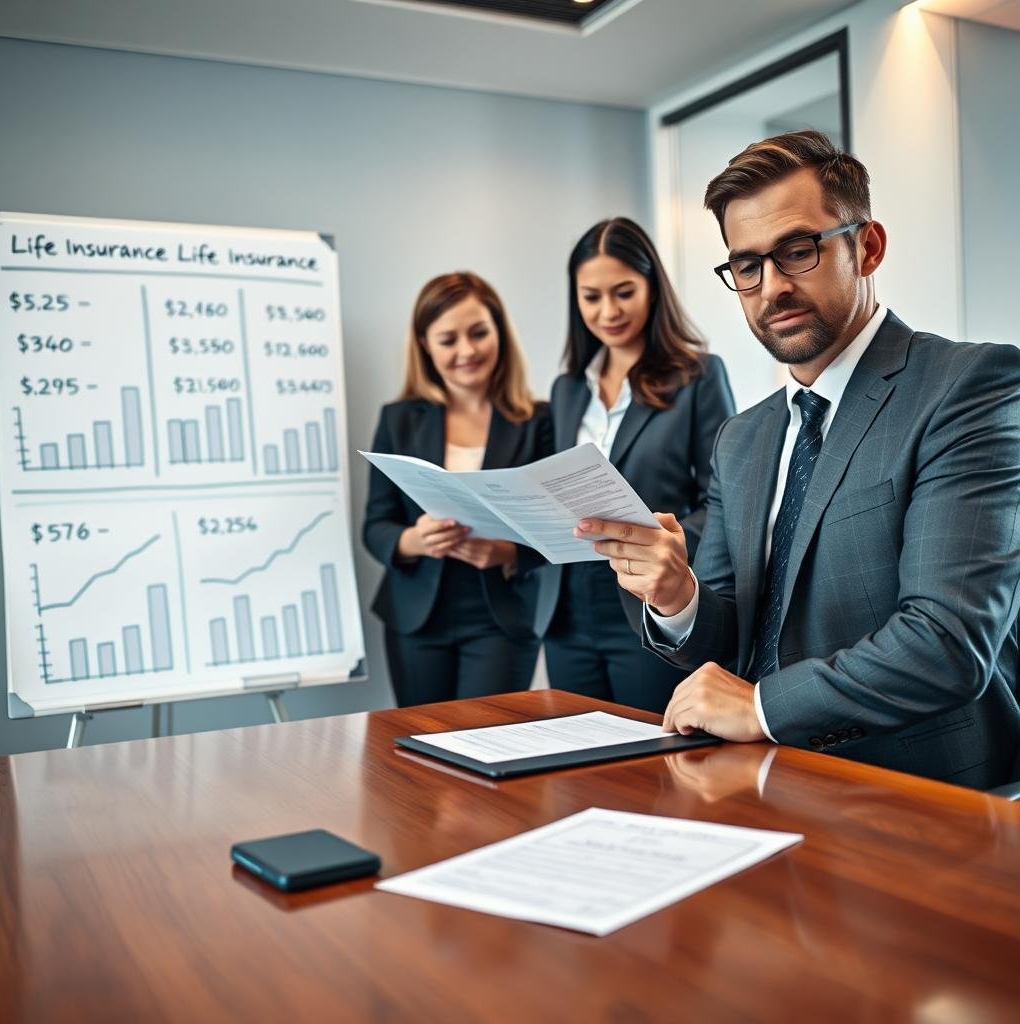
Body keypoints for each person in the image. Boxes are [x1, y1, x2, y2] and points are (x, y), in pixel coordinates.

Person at [579, 130, 1020, 788]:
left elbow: (945, 643)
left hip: (926, 796)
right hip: (767, 785)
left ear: (866, 247)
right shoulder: (743, 438)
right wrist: (678, 597)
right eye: (746, 266)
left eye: (797, 250)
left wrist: (761, 706)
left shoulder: (966, 385)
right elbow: (735, 635)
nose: (771, 286)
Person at [541, 217, 736, 713]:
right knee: (575, 757)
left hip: (646, 597)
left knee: (650, 764)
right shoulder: (567, 390)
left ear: (653, 288)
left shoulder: (698, 376)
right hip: (566, 605)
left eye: (624, 291)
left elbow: (727, 498)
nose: (608, 311)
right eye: (591, 296)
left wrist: (664, 543)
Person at [364, 272, 552, 706]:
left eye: (479, 333)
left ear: (499, 334)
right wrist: (412, 540)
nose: (466, 351)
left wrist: (507, 553)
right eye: (448, 339)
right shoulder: (399, 419)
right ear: (425, 345)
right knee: (423, 754)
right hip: (416, 619)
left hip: (501, 618)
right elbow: (375, 524)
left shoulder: (539, 420)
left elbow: (558, 525)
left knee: (488, 752)